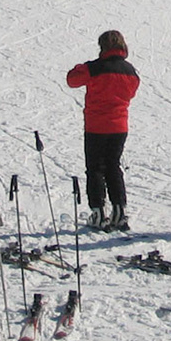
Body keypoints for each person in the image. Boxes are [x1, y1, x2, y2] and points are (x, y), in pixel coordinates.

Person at [66, 30, 141, 231]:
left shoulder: (95, 68)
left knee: (95, 168)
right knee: (113, 166)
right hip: (119, 126)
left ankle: (98, 212)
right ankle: (119, 210)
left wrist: (82, 67)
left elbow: (72, 80)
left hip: (96, 125)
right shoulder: (130, 71)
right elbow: (131, 92)